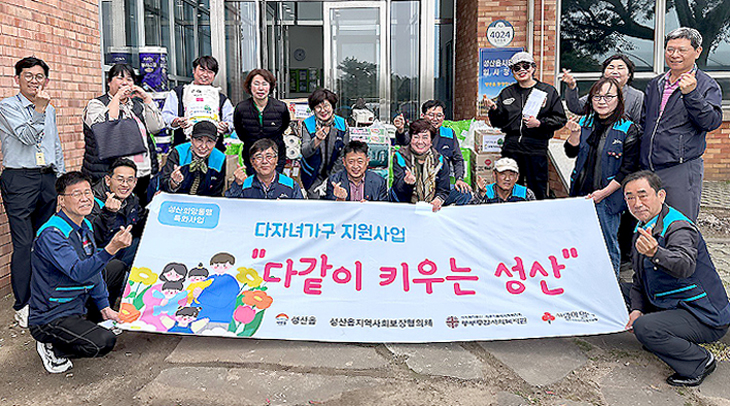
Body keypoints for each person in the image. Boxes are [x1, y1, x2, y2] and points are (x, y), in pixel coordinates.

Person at [623, 170, 729, 387]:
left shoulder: (678, 227)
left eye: (643, 195)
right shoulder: (642, 225)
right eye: (630, 198)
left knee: (645, 327)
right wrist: (636, 309)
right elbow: (639, 278)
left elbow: (684, 265)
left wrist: (655, 253)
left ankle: (700, 362)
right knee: (618, 291)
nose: (636, 204)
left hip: (703, 315)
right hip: (671, 302)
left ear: (661, 195)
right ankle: (660, 336)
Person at [28, 171, 132, 373]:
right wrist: (111, 248)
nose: (85, 198)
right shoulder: (52, 234)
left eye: (87, 192)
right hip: (52, 315)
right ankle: (53, 347)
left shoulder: (84, 224)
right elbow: (79, 272)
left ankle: (93, 321)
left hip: (77, 300)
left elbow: (93, 268)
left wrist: (105, 307)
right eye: (76, 194)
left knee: (115, 268)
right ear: (61, 200)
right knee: (104, 342)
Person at [0, 57, 65, 328]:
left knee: (44, 240)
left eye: (39, 77)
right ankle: (23, 304)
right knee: (24, 243)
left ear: (46, 81)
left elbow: (54, 143)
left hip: (47, 178)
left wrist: (61, 181)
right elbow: (27, 137)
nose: (34, 81)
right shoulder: (7, 106)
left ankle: (43, 295)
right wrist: (39, 108)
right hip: (19, 179)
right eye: (28, 76)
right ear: (17, 79)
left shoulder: (49, 109)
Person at [640, 27, 723, 222]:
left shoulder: (706, 85)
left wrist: (692, 94)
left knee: (679, 226)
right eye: (670, 49)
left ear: (697, 51)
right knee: (649, 225)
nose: (674, 55)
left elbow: (711, 122)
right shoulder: (656, 84)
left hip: (681, 168)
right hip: (648, 168)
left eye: (682, 50)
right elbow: (645, 123)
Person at [564, 77, 640, 276]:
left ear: (618, 99)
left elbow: (628, 169)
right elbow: (571, 152)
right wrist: (574, 134)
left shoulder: (627, 128)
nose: (602, 101)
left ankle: (610, 285)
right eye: (597, 96)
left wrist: (603, 193)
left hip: (608, 198)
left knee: (607, 245)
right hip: (580, 195)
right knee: (579, 242)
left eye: (608, 96)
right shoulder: (584, 122)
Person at [484, 52, 567, 200]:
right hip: (511, 148)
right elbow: (498, 123)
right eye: (517, 68)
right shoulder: (507, 93)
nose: (522, 70)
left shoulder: (548, 91)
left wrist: (540, 123)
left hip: (536, 147)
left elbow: (560, 119)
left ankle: (537, 213)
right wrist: (494, 110)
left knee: (538, 188)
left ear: (533, 68)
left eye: (526, 66)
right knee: (509, 189)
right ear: (512, 72)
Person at [82, 63, 164, 206]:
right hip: (110, 176)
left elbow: (156, 127)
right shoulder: (96, 104)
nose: (125, 83)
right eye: (120, 78)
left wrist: (147, 99)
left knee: (138, 214)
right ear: (109, 82)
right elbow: (106, 128)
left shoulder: (137, 106)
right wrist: (117, 98)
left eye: (129, 79)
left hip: (141, 175)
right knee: (111, 214)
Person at [394, 100, 472, 205]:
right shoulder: (417, 132)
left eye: (439, 115)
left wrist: (459, 179)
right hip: (414, 185)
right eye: (431, 115)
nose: (435, 119)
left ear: (443, 117)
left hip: (440, 186)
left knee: (464, 193)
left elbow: (458, 159)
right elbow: (403, 141)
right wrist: (400, 130)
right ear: (423, 116)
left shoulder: (449, 134)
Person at [162, 56, 234, 151]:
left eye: (210, 72)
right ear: (194, 70)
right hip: (184, 148)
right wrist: (176, 121)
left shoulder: (221, 98)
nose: (205, 75)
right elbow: (166, 115)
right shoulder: (178, 92)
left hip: (214, 150)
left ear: (214, 75)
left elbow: (231, 121)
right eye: (202, 70)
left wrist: (226, 127)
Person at [89, 158, 148, 268]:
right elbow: (95, 238)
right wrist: (109, 213)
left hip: (123, 249)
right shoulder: (91, 202)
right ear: (108, 180)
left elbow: (142, 224)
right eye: (120, 179)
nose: (125, 185)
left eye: (130, 180)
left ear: (135, 182)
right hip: (101, 255)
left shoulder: (132, 199)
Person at [232, 69, 290, 174]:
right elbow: (240, 132)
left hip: (275, 158)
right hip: (252, 158)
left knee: (275, 183)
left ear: (270, 86)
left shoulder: (281, 107)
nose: (260, 88)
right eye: (256, 84)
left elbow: (284, 126)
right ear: (250, 86)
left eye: (264, 84)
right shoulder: (241, 108)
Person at [561, 54, 644, 123]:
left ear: (629, 74)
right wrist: (571, 87)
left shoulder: (637, 96)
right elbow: (577, 108)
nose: (615, 71)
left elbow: (639, 125)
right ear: (604, 73)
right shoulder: (598, 91)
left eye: (620, 68)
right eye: (611, 67)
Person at [390, 119, 450, 212]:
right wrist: (407, 183)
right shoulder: (400, 157)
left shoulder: (440, 161)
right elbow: (398, 192)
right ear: (410, 139)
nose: (420, 142)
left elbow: (444, 189)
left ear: (431, 141)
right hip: (406, 208)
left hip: (431, 209)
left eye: (425, 137)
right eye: (416, 137)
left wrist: (438, 200)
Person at [300, 88, 350, 198]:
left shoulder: (342, 124)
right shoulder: (307, 124)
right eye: (318, 107)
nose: (322, 110)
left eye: (326, 106)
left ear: (332, 107)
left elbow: (344, 154)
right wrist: (316, 140)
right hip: (312, 175)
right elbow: (305, 152)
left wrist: (332, 178)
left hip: (336, 174)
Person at [158, 121, 226, 196]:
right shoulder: (178, 153)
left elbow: (217, 192)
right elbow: (162, 186)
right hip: (177, 199)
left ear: (215, 142)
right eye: (199, 140)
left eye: (209, 141)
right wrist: (174, 182)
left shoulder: (220, 158)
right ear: (191, 139)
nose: (203, 146)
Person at [225, 138, 303, 199]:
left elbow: (300, 211)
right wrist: (237, 186)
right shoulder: (245, 185)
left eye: (269, 156)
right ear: (252, 162)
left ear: (276, 160)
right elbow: (229, 207)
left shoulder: (291, 185)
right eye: (259, 157)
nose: (264, 161)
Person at [472, 157, 536, 204]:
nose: (507, 178)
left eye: (511, 175)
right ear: (494, 174)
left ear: (517, 177)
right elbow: (471, 212)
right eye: (502, 174)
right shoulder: (486, 192)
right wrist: (480, 195)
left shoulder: (525, 194)